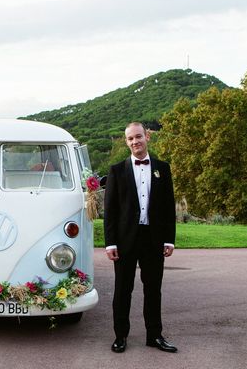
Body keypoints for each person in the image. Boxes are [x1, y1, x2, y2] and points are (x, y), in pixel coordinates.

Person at [104, 122, 177, 353]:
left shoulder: (162, 169)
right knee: (123, 290)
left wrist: (169, 239)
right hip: (125, 240)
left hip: (153, 239)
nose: (135, 142)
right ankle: (120, 336)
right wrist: (110, 243)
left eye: (138, 137)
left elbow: (168, 207)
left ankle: (154, 336)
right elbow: (111, 210)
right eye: (130, 139)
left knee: (153, 289)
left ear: (147, 137)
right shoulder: (116, 170)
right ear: (126, 142)